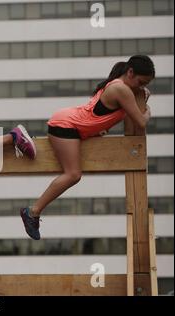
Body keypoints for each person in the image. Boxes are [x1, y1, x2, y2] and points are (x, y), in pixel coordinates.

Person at [20, 55, 154, 240]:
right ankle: (32, 212)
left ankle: (33, 212)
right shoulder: (121, 89)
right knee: (73, 174)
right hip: (66, 125)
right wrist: (147, 112)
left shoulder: (119, 87)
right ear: (130, 72)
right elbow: (140, 122)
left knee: (73, 174)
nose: (141, 87)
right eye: (140, 82)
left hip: (71, 125)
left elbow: (105, 116)